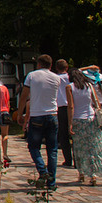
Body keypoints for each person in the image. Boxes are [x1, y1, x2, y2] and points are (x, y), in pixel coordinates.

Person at [17, 55, 61, 190]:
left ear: (39, 64)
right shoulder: (56, 78)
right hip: (52, 114)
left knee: (34, 146)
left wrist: (20, 113)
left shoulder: (31, 76)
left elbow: (24, 95)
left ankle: (43, 172)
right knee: (52, 149)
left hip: (37, 115)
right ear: (51, 65)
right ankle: (51, 181)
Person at [54, 59, 73, 168]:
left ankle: (68, 159)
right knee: (73, 133)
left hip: (60, 107)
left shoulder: (56, 79)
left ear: (57, 68)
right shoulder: (71, 78)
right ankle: (77, 159)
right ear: (67, 68)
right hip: (72, 106)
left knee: (63, 134)